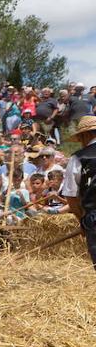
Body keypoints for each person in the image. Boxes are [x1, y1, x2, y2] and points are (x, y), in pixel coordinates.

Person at [60, 115, 96, 269]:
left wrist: (82, 219)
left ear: (86, 134)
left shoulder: (79, 158)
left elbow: (70, 196)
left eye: (81, 138)